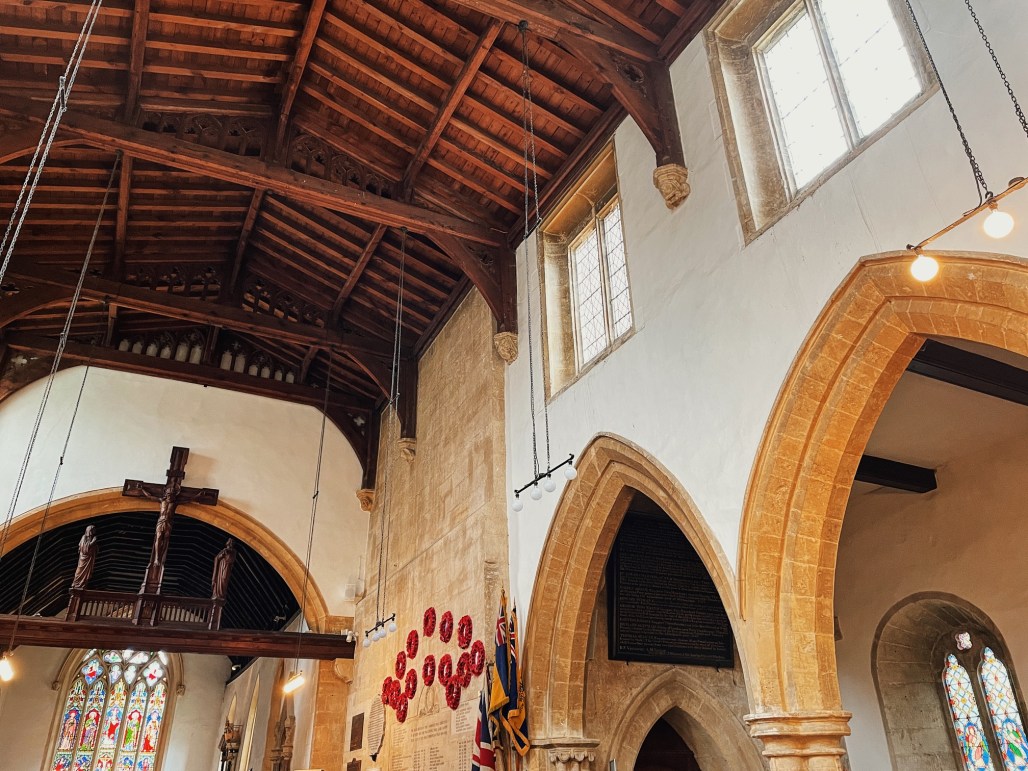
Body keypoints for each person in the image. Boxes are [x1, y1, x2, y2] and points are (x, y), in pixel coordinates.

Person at [71, 526, 98, 590]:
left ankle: (83, 584)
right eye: (93, 530)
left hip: (89, 559)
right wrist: (92, 542)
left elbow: (95, 550)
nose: (94, 531)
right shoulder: (84, 537)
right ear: (90, 530)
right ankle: (76, 584)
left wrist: (95, 545)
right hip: (83, 559)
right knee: (79, 572)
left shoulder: (92, 538)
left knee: (86, 574)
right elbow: (84, 550)